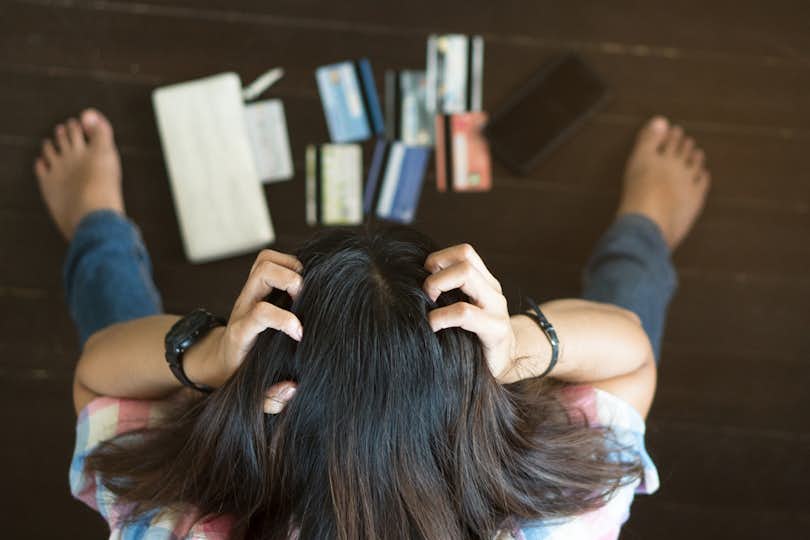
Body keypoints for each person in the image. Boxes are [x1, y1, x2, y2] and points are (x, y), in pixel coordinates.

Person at [35, 109, 709, 539]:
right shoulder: (559, 518)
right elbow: (630, 355)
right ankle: (644, 228)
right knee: (609, 326)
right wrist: (518, 347)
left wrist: (207, 357)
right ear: (464, 402)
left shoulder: (172, 521)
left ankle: (98, 228)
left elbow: (99, 374)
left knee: (141, 361)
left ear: (276, 404)